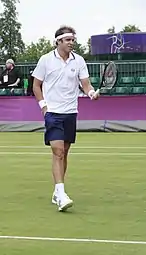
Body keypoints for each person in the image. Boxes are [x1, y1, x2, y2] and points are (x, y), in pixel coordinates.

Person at [32, 25, 99, 212]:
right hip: (52, 112)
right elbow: (36, 85)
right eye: (68, 40)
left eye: (73, 40)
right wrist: (43, 106)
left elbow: (85, 84)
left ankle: (57, 190)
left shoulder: (79, 61)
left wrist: (91, 93)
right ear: (58, 41)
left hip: (71, 112)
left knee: (65, 152)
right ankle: (61, 194)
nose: (72, 43)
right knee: (58, 151)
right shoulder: (45, 60)